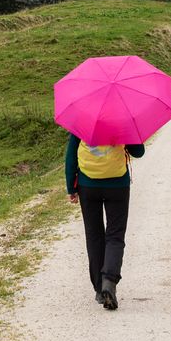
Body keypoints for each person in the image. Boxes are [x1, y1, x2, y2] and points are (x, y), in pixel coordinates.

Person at [65, 132, 145, 310]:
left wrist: (71, 186)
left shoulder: (83, 120)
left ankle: (100, 288)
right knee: (115, 235)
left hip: (88, 185)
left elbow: (71, 155)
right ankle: (109, 280)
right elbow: (138, 152)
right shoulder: (122, 120)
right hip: (117, 185)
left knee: (94, 236)